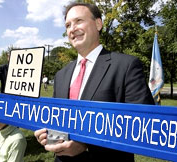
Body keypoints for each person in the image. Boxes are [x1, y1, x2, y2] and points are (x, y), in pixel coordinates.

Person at [34, 2, 155, 162]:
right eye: (68, 25)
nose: (72, 29)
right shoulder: (61, 75)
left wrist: (86, 145)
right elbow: (59, 120)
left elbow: (143, 127)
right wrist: (49, 135)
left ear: (98, 24)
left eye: (78, 21)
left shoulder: (126, 66)